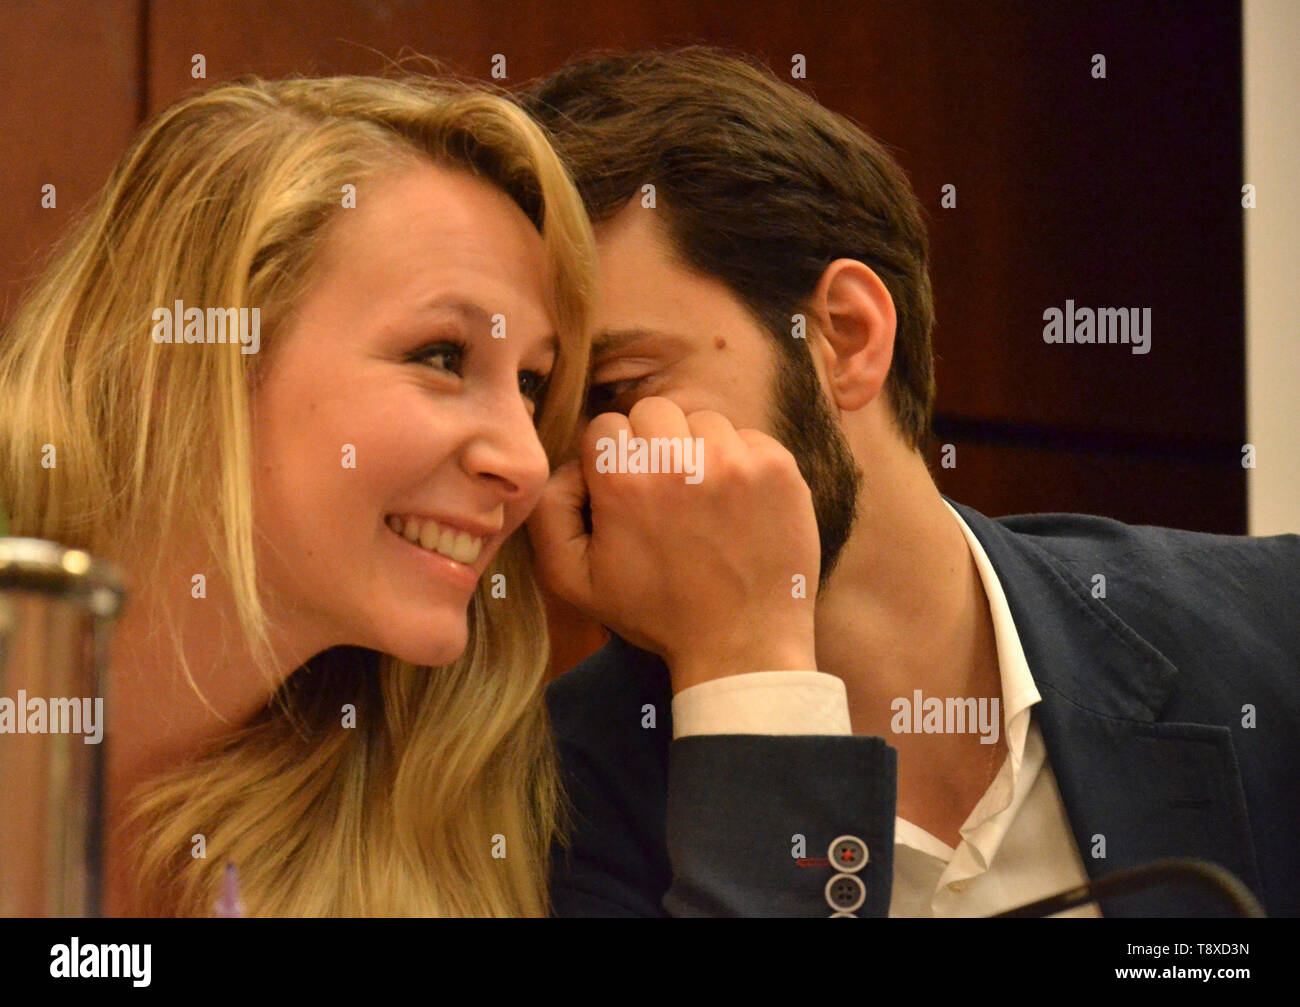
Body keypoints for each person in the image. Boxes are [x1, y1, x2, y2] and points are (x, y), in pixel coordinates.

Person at [522, 47, 1300, 917]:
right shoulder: (536, 806)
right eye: (541, 417)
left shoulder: (1274, 630)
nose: (568, 474)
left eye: (620, 393)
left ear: (846, 337)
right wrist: (745, 672)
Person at [0, 72, 600, 916]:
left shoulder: (426, 813)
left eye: (533, 383)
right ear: (191, 361)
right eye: (442, 356)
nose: (528, 461)